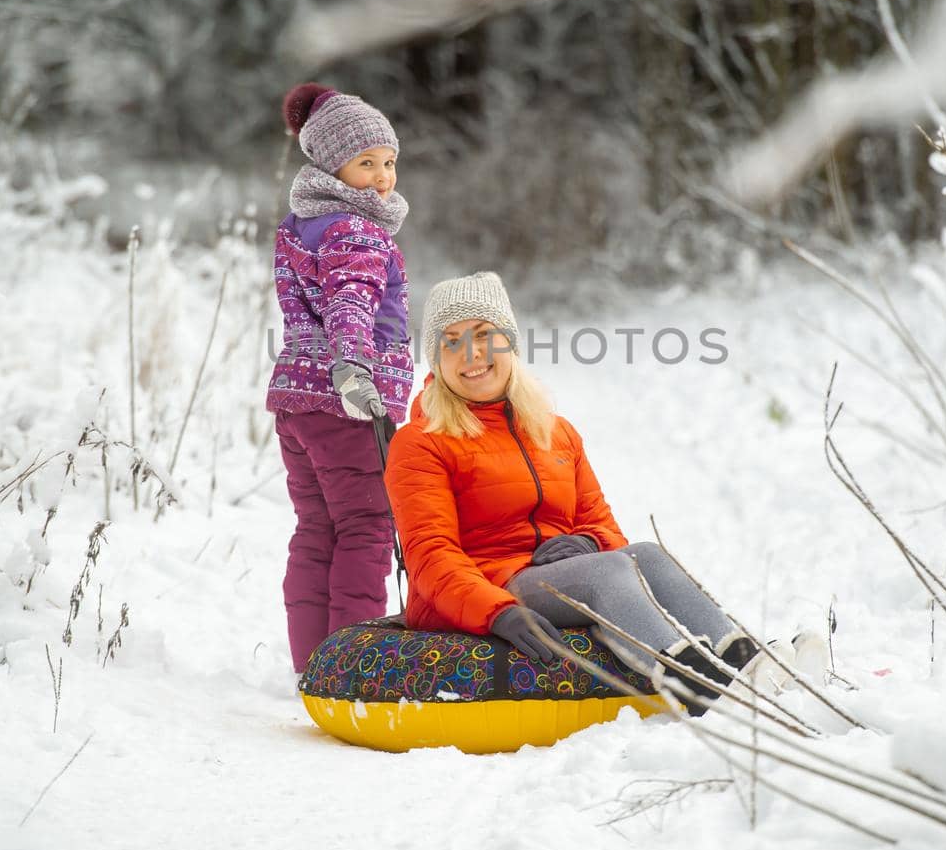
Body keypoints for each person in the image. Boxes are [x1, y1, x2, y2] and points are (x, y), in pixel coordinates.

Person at [383, 272, 761, 712]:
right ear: (436, 359)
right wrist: (496, 611)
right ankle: (694, 683)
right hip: (489, 584)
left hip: (561, 576)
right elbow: (429, 556)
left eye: (485, 335)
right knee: (608, 573)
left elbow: (605, 529)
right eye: (452, 341)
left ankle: (747, 663)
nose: (472, 354)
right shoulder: (421, 441)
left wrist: (587, 542)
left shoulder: (555, 432)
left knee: (649, 555)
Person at [266, 83, 411, 672]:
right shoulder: (356, 230)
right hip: (346, 402)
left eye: (390, 162)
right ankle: (353, 666)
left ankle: (312, 662)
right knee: (367, 529)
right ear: (331, 164)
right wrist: (355, 369)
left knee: (318, 528)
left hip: (296, 403)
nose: (382, 176)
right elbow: (350, 301)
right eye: (366, 163)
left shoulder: (300, 226)